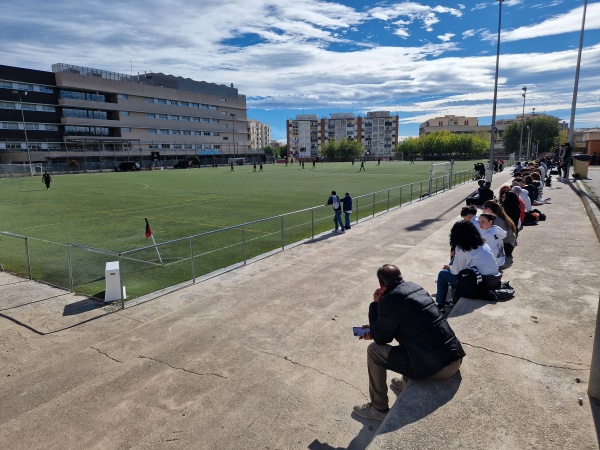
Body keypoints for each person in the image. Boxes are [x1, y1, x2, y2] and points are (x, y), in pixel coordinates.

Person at [353, 264, 465, 421]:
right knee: (411, 332)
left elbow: (380, 338)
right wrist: (376, 327)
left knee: (374, 351)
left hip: (439, 368)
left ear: (381, 284)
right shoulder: (415, 287)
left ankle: (378, 408)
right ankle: (406, 382)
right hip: (454, 356)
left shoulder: (389, 301)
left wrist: (375, 304)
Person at [435, 221, 500, 310]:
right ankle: (454, 299)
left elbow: (456, 271)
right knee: (454, 264)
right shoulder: (482, 243)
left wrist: (450, 267)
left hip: (481, 284)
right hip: (493, 280)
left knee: (443, 274)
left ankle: (440, 305)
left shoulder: (461, 248)